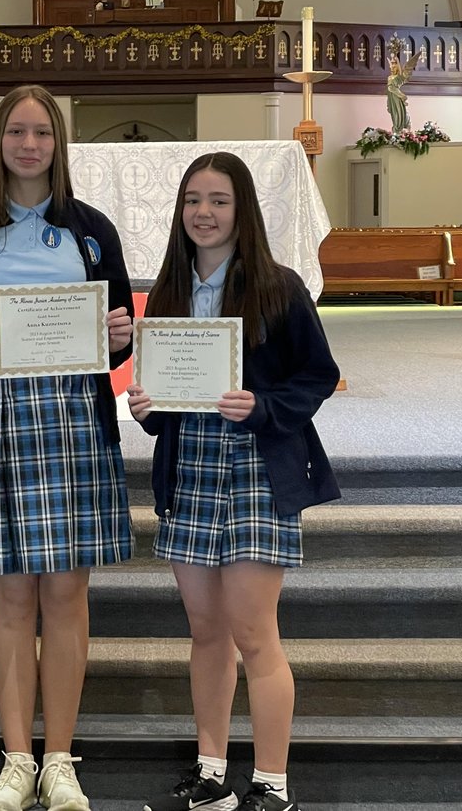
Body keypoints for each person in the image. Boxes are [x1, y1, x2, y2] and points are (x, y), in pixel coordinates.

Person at [0, 84, 134, 811]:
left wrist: (120, 338)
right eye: (16, 131)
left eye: (41, 132)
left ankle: (60, 760)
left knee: (68, 593)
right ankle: (17, 759)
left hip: (73, 418)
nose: (29, 145)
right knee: (11, 595)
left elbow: (113, 339)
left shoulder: (91, 229)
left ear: (58, 143)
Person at [131, 152, 339, 811]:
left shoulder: (279, 287)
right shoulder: (167, 292)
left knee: (253, 633)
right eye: (193, 200)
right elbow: (165, 400)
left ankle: (272, 783)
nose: (204, 212)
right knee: (206, 632)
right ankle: (212, 774)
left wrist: (264, 405)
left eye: (219, 200)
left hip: (256, 471)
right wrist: (148, 408)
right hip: (190, 471)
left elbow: (318, 374)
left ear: (241, 209)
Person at [385, 52, 417, 132]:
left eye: (394, 67)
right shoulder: (389, 77)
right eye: (391, 67)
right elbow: (389, 89)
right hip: (391, 97)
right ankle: (396, 130)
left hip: (397, 96)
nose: (392, 68)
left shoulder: (399, 77)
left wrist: (397, 59)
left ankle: (400, 129)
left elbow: (400, 71)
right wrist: (388, 102)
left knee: (399, 114)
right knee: (394, 114)